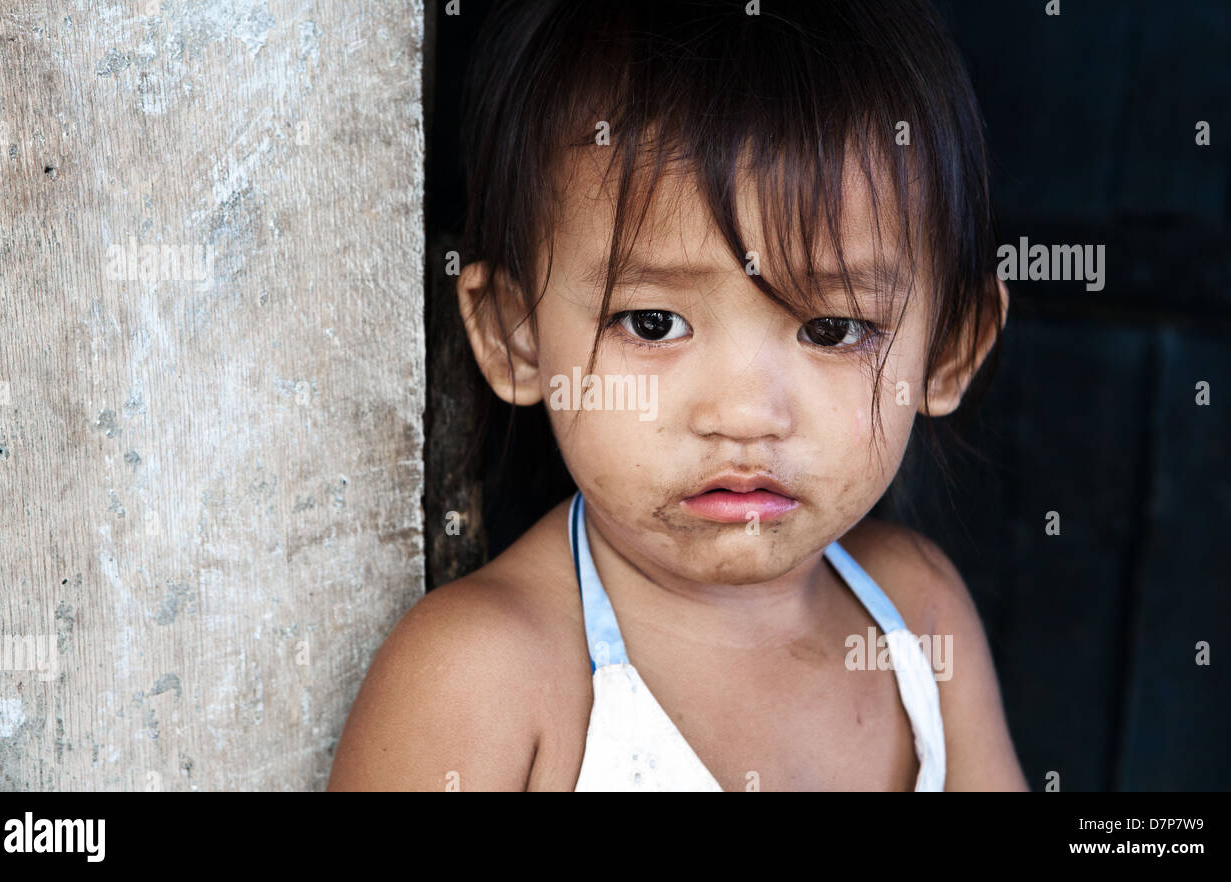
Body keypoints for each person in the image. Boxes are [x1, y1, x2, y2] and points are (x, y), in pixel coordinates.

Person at [329, 0, 1026, 791]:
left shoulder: (916, 614)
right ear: (513, 335)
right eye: (654, 323)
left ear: (947, 350)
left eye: (833, 331)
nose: (743, 416)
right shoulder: (484, 678)